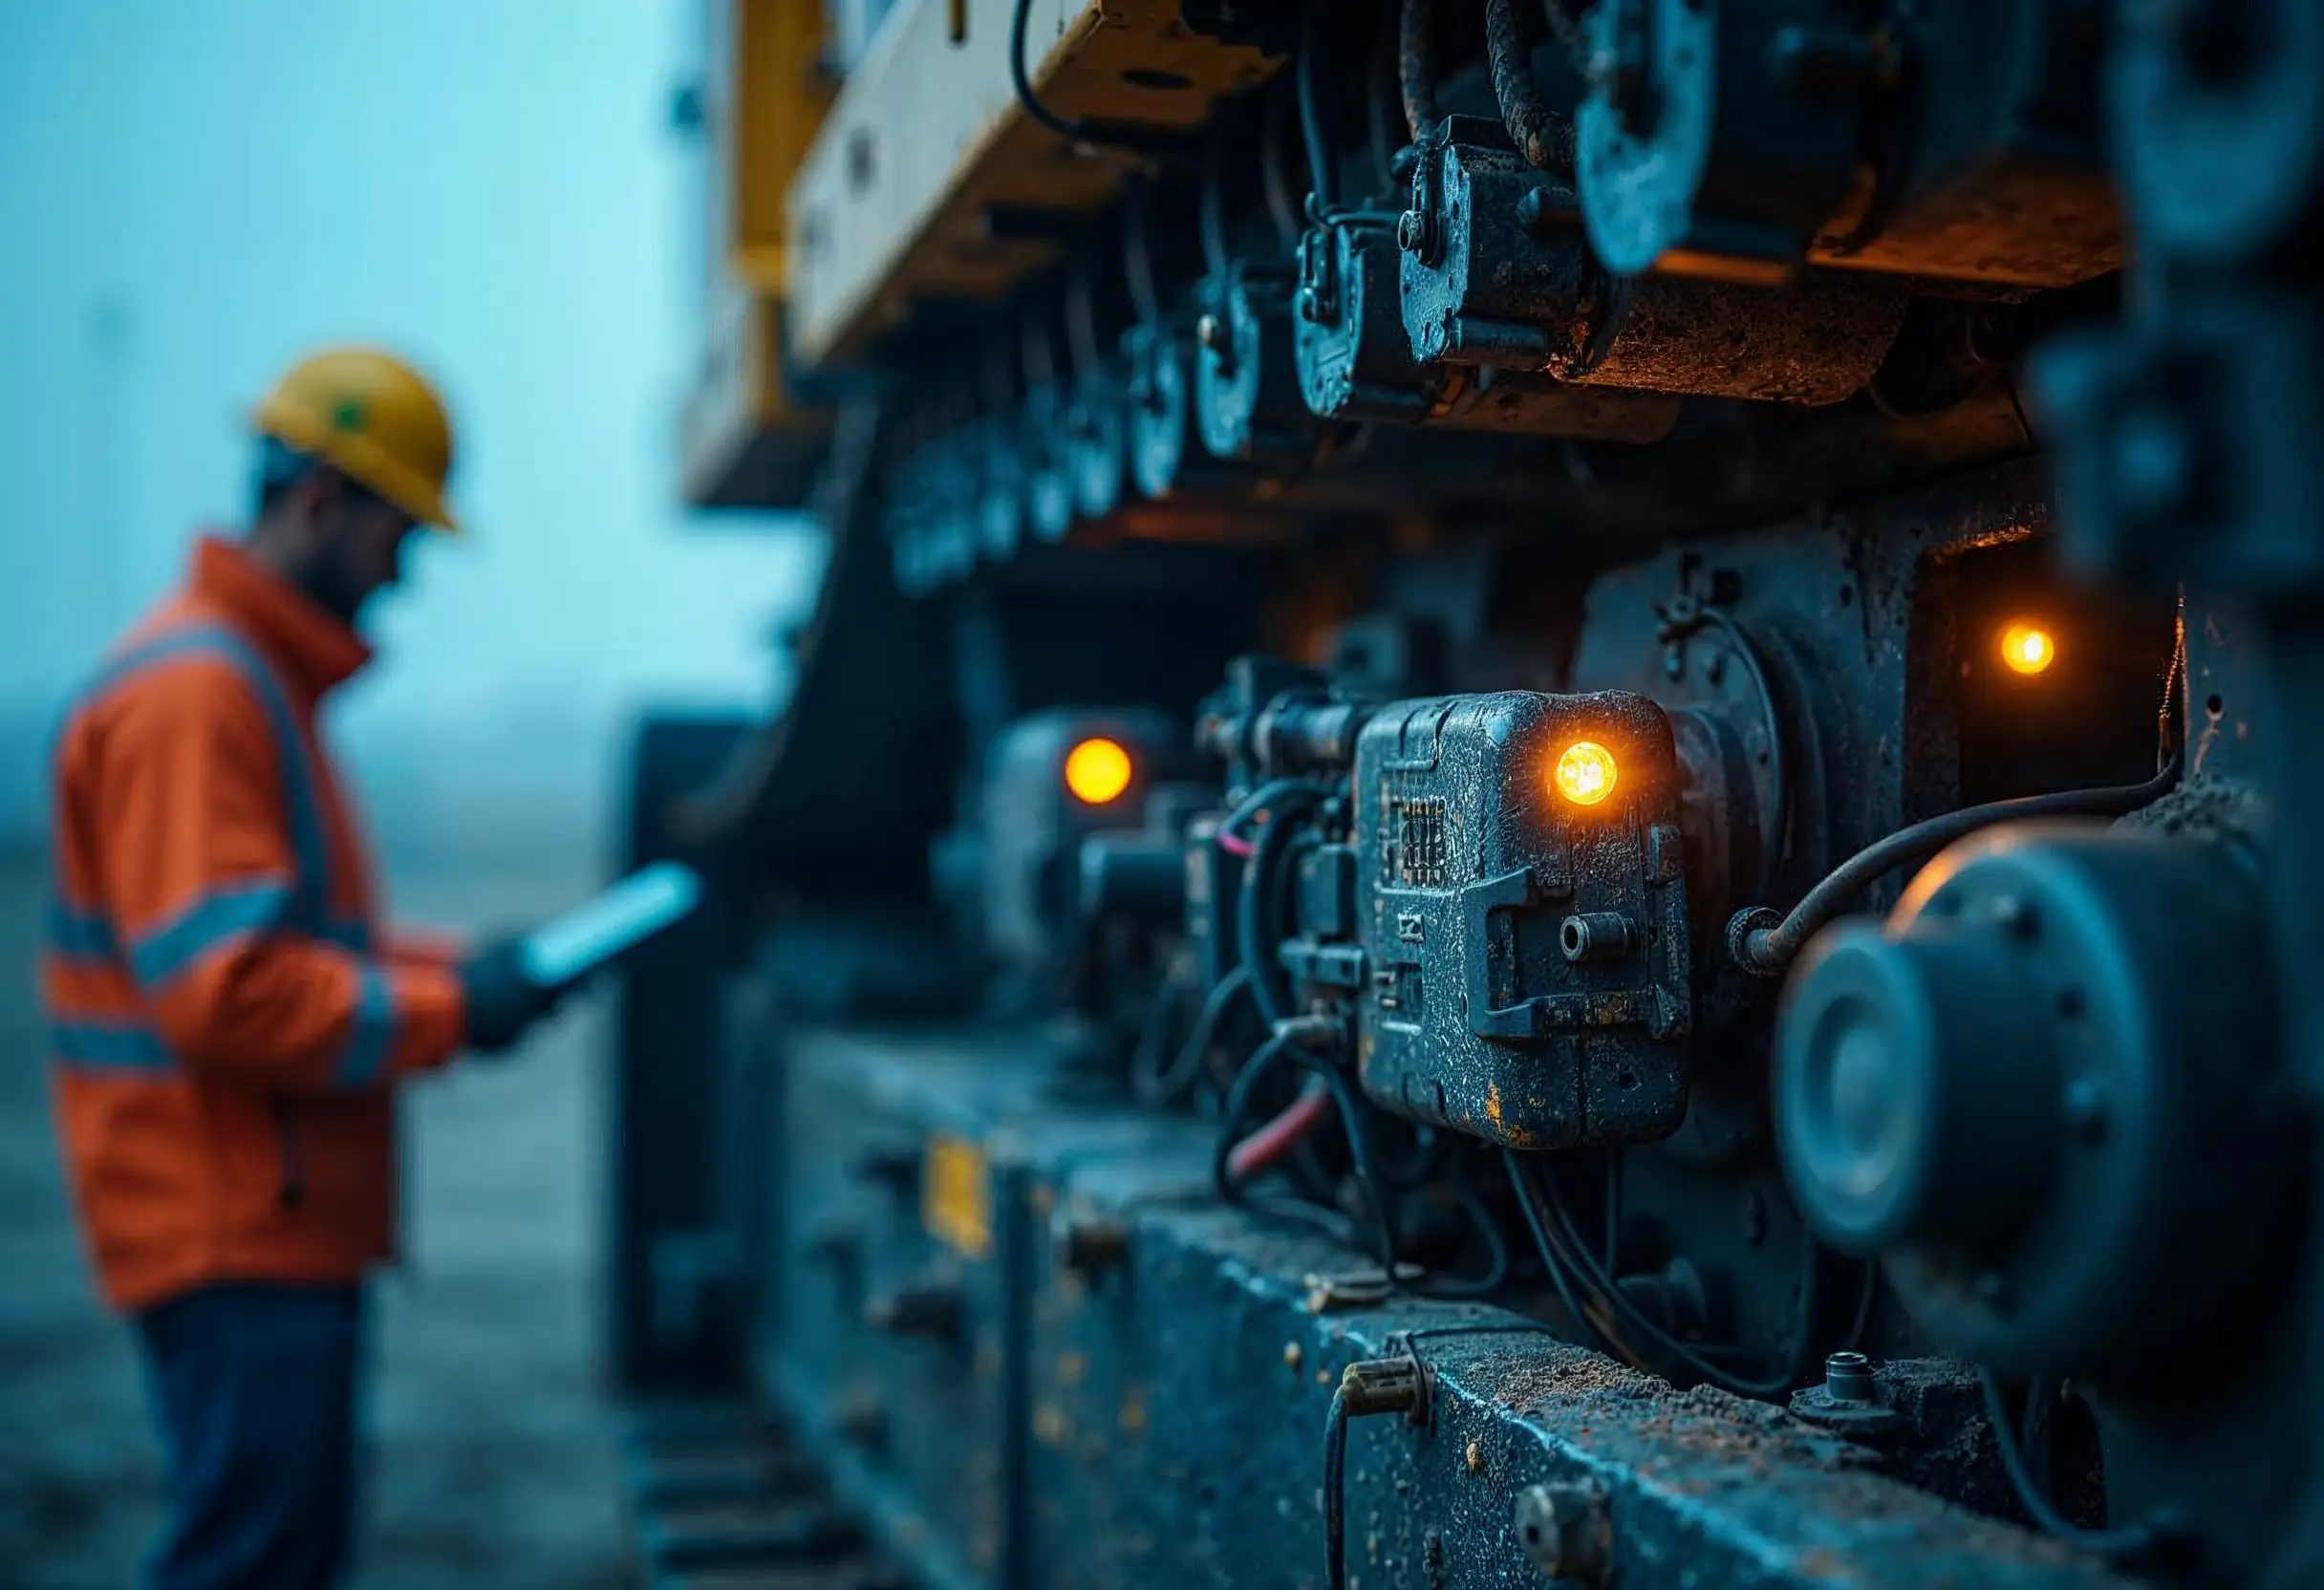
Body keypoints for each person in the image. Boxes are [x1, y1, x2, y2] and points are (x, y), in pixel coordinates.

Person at [40, 346, 569, 1589]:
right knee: (255, 1563)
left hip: (253, 1218)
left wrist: (468, 972)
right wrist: (453, 1014)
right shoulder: (200, 698)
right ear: (322, 501)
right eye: (402, 535)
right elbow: (230, 996)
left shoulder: (240, 682)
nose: (405, 575)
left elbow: (291, 944)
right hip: (233, 1229)